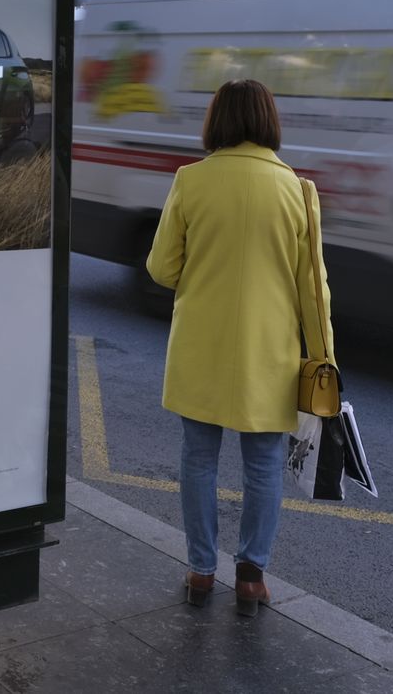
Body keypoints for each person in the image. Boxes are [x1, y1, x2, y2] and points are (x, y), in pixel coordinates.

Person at [145, 79, 334, 617]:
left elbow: (162, 268)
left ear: (217, 122)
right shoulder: (297, 190)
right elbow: (312, 290)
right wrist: (324, 360)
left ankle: (201, 571)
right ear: (270, 122)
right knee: (263, 463)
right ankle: (251, 576)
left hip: (200, 346)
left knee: (199, 460)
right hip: (269, 353)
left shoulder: (190, 181)